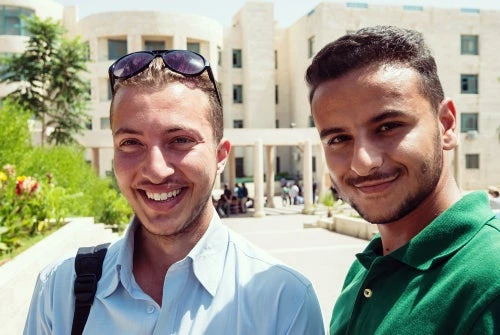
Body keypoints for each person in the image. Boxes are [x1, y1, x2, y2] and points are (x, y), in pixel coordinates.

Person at [24, 49, 324, 334]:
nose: (156, 169)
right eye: (131, 142)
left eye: (180, 140)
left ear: (220, 156)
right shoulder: (59, 290)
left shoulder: (283, 300)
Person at [306, 26, 500, 334]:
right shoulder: (364, 270)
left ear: (446, 125)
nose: (363, 162)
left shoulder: (491, 278)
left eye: (388, 127)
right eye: (339, 138)